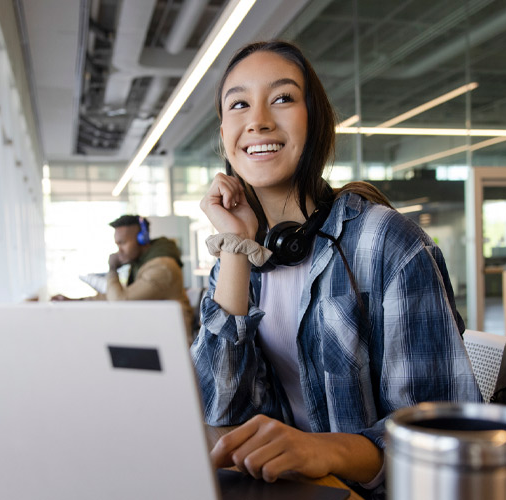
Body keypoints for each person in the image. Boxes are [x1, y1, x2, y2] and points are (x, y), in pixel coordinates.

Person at [191, 40, 481, 498]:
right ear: (225, 131)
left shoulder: (389, 244)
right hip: (285, 489)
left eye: (283, 98)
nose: (258, 120)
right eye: (239, 104)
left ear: (317, 121)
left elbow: (440, 437)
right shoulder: (243, 257)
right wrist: (234, 247)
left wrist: (321, 450)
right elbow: (215, 408)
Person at [55, 215, 195, 340]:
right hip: (156, 335)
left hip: (174, 343)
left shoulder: (162, 268)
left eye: (123, 243)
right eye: (117, 244)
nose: (119, 250)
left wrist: (112, 269)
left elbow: (120, 301)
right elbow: (116, 296)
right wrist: (76, 301)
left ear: (142, 239)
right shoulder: (142, 264)